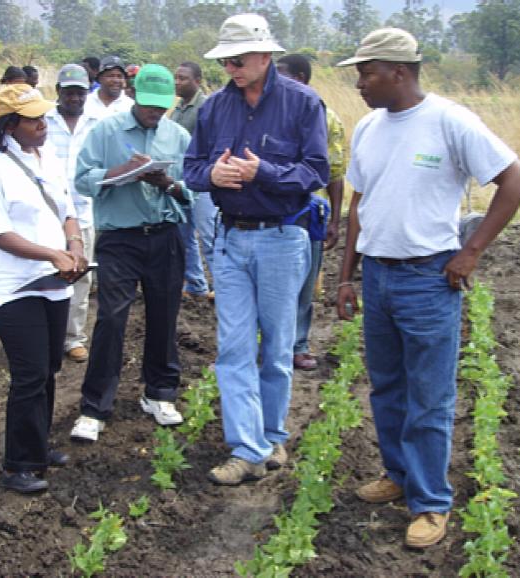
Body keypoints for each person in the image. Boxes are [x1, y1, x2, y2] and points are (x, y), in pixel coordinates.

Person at [335, 28, 520, 548]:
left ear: (399, 72)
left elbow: (516, 180)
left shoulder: (450, 120)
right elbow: (360, 203)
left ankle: (430, 503)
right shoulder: (369, 128)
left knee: (429, 397)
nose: (359, 83)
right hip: (376, 275)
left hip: (428, 277)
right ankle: (397, 475)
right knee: (387, 388)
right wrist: (345, 276)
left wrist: (471, 251)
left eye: (366, 72)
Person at [183, 14, 329, 485]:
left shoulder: (303, 103)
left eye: (239, 57)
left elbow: (315, 173)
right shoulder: (212, 108)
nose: (231, 65)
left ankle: (271, 434)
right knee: (234, 347)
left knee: (278, 346)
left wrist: (261, 172)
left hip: (282, 238)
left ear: (266, 55)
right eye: (225, 58)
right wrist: (213, 176)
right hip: (230, 239)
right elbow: (192, 169)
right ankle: (246, 449)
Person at [0, 84, 88, 494]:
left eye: (43, 117)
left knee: (49, 369)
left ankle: (39, 446)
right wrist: (51, 255)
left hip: (53, 284)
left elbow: (67, 210)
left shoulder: (47, 157)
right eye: (33, 119)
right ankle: (18, 464)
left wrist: (74, 245)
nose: (43, 125)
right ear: (8, 126)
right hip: (14, 287)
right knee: (30, 373)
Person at [70, 64, 193, 442]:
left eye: (161, 106)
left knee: (164, 316)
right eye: (148, 105)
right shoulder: (106, 131)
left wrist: (168, 182)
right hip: (120, 238)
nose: (155, 113)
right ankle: (95, 407)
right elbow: (82, 180)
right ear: (134, 95)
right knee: (111, 319)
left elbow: (194, 192)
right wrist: (119, 171)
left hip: (165, 236)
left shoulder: (178, 136)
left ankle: (159, 393)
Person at [276, 54, 346, 371]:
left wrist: (334, 220)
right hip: (270, 212)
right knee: (272, 283)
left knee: (305, 282)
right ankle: (272, 343)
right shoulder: (265, 112)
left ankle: (298, 345)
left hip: (308, 213)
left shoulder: (326, 118)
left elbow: (335, 173)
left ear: (302, 78)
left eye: (284, 75)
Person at [45, 64, 96, 363]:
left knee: (80, 276)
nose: (75, 98)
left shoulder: (97, 124)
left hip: (84, 212)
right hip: (48, 214)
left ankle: (73, 338)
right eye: (69, 92)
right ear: (58, 93)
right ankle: (46, 335)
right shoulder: (43, 122)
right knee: (45, 274)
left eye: (80, 92)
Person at [171, 61, 216, 299]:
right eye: (176, 78)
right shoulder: (178, 108)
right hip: (183, 180)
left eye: (183, 78)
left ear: (197, 81)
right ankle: (196, 284)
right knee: (184, 234)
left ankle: (222, 287)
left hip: (203, 181)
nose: (178, 82)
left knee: (208, 234)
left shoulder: (206, 107)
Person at [83, 56, 134, 129]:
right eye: (111, 76)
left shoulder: (131, 107)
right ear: (100, 78)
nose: (116, 80)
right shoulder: (85, 102)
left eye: (119, 76)